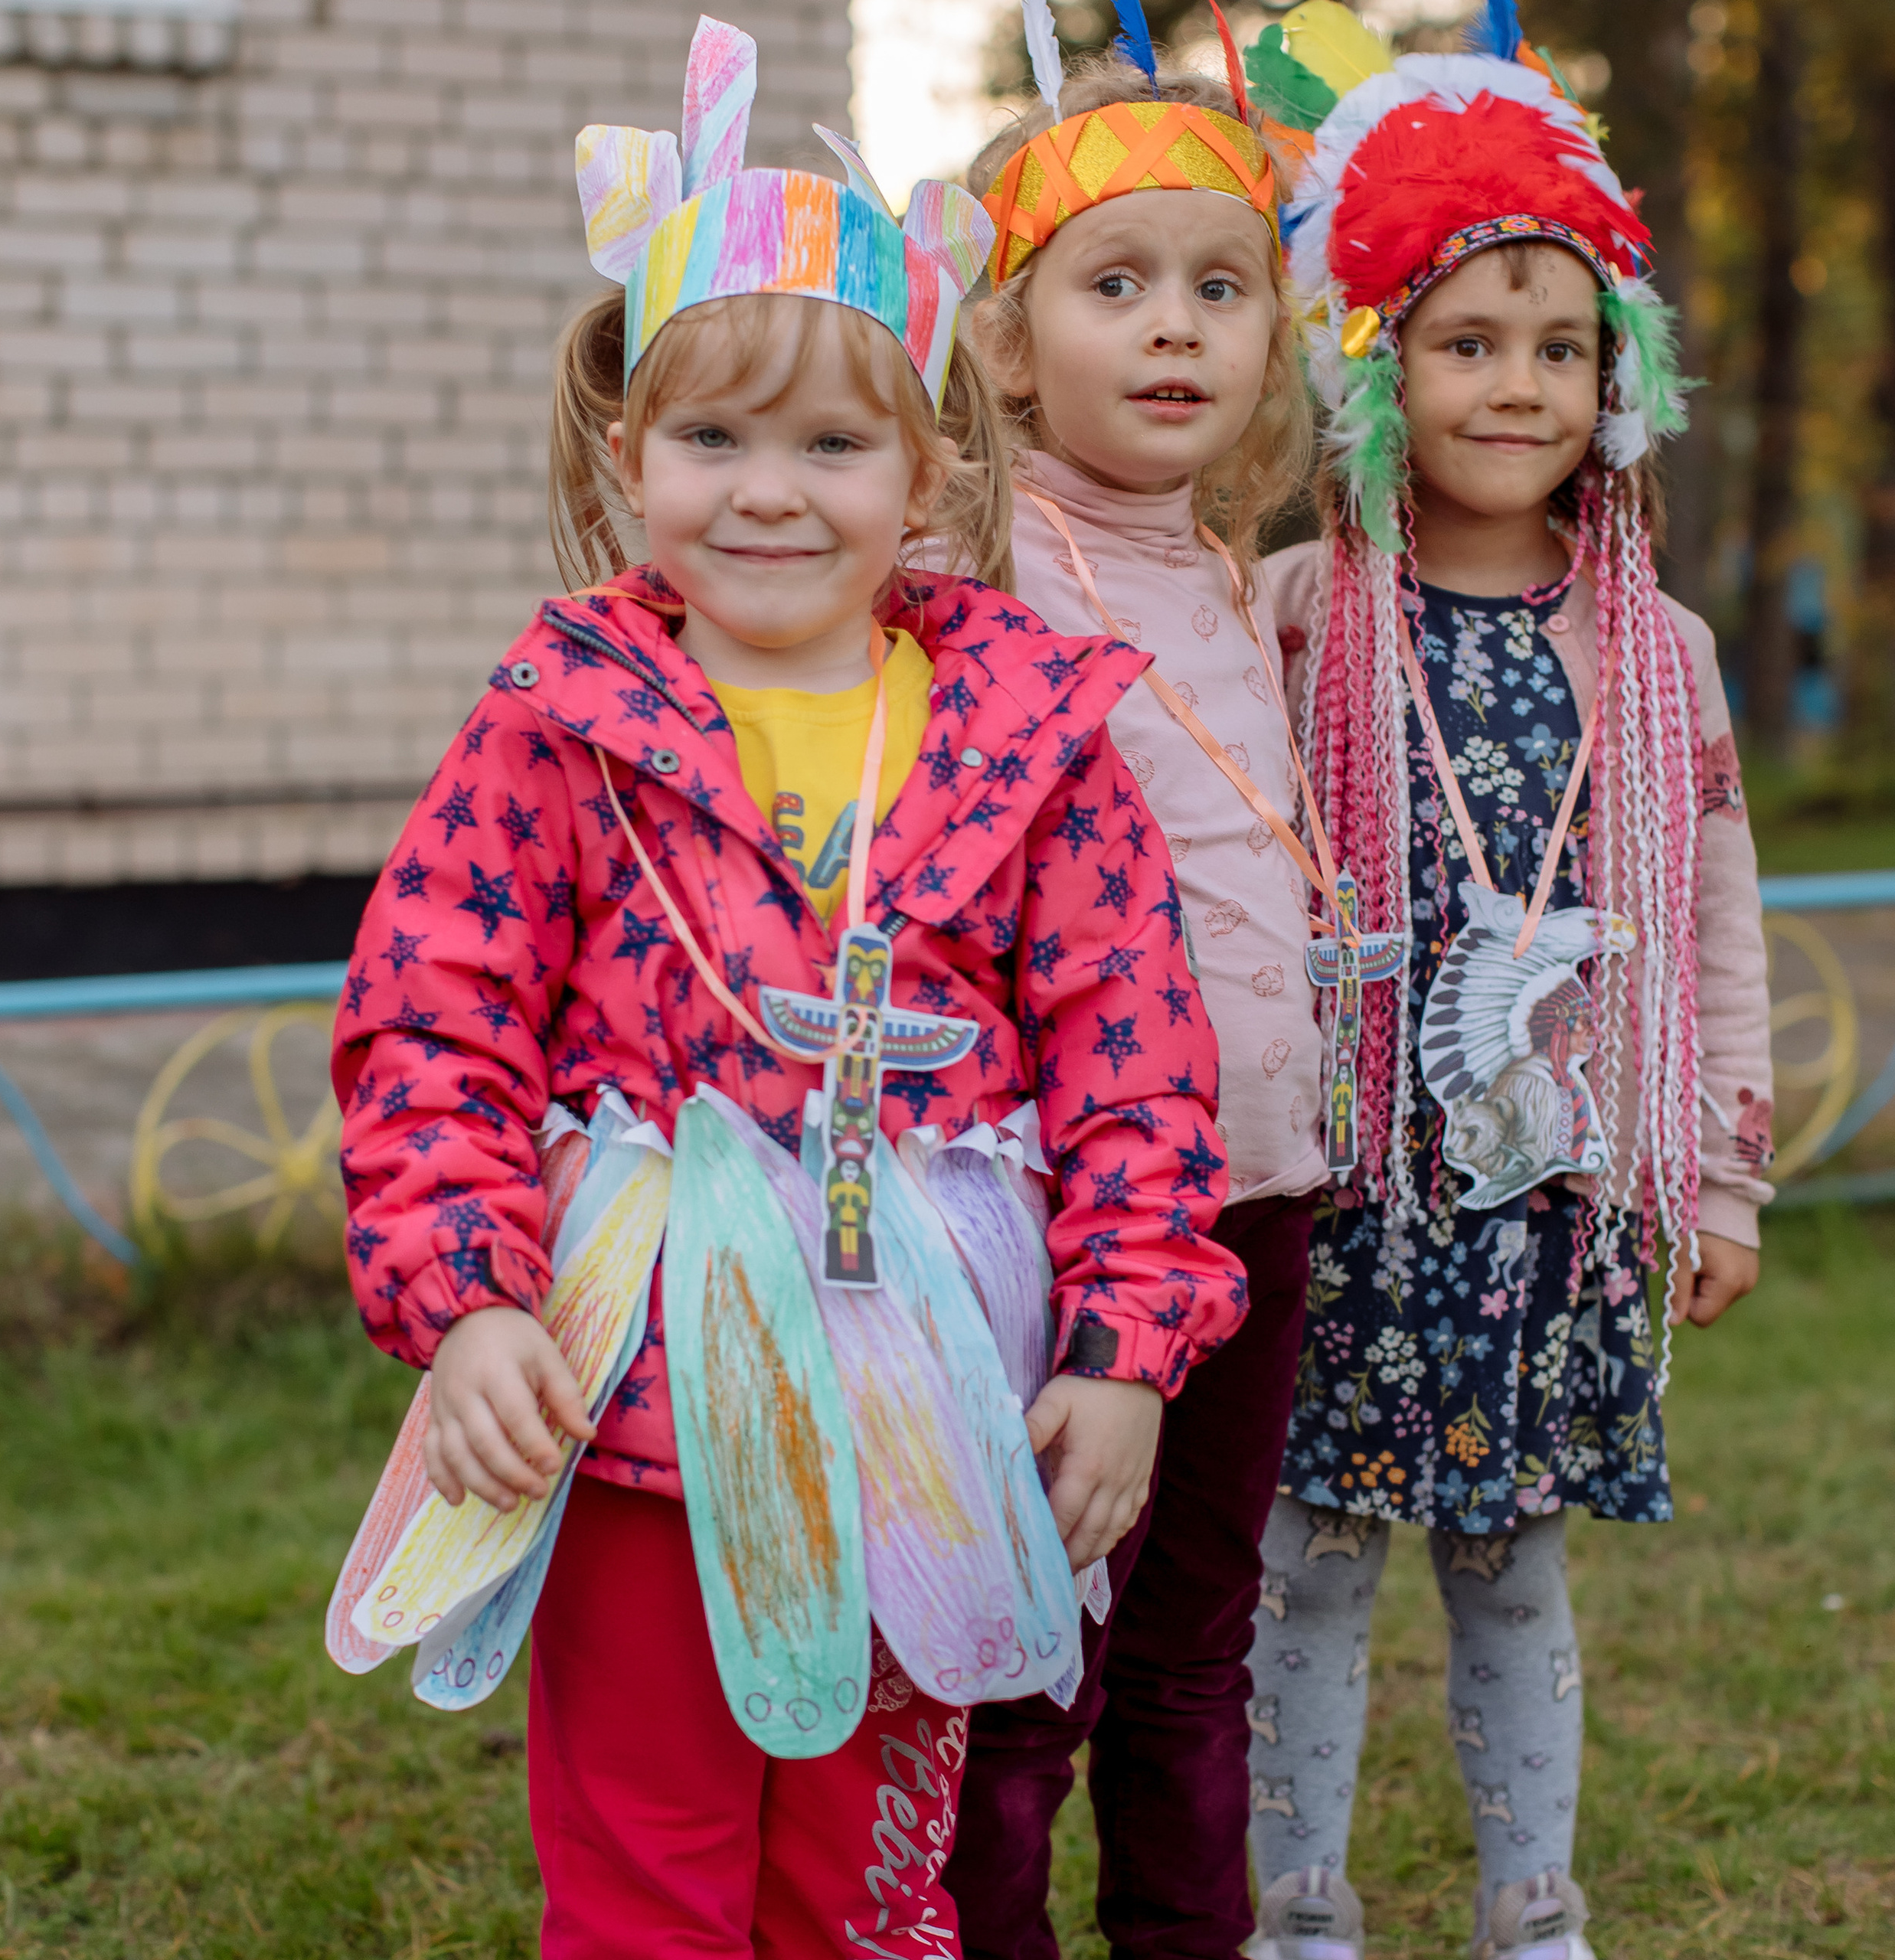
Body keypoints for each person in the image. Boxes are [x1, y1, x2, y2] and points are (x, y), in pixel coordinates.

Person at [331, 21, 1246, 1959]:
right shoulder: (559, 729)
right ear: (625, 456)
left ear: (922, 465)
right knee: (654, 1864)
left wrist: (1123, 1346)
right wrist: (471, 1298)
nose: (769, 492)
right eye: (713, 438)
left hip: (923, 1400)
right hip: (635, 1380)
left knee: (861, 1871)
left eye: (831, 442)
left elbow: (1133, 1059)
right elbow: (433, 1018)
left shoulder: (1028, 738)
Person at [1243, 7, 1776, 1957]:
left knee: (1510, 1566)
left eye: (1561, 348)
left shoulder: (1659, 647)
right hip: (1344, 1193)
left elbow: (1711, 919)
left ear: (1614, 378)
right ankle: (1297, 1911)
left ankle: (1527, 1909)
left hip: (1550, 1204)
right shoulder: (1294, 612)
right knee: (1298, 1568)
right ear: (1375, 368)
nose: (1516, 383)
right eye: (1467, 341)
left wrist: (1717, 1170)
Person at [943, 15, 1327, 1957]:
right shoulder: (961, 559)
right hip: (1053, 1217)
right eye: (1113, 285)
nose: (1171, 328)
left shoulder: (1245, 576)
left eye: (1216, 287)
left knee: (1195, 1640)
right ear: (1012, 342)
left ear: (1271, 335)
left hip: (1258, 1194)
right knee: (1022, 1661)